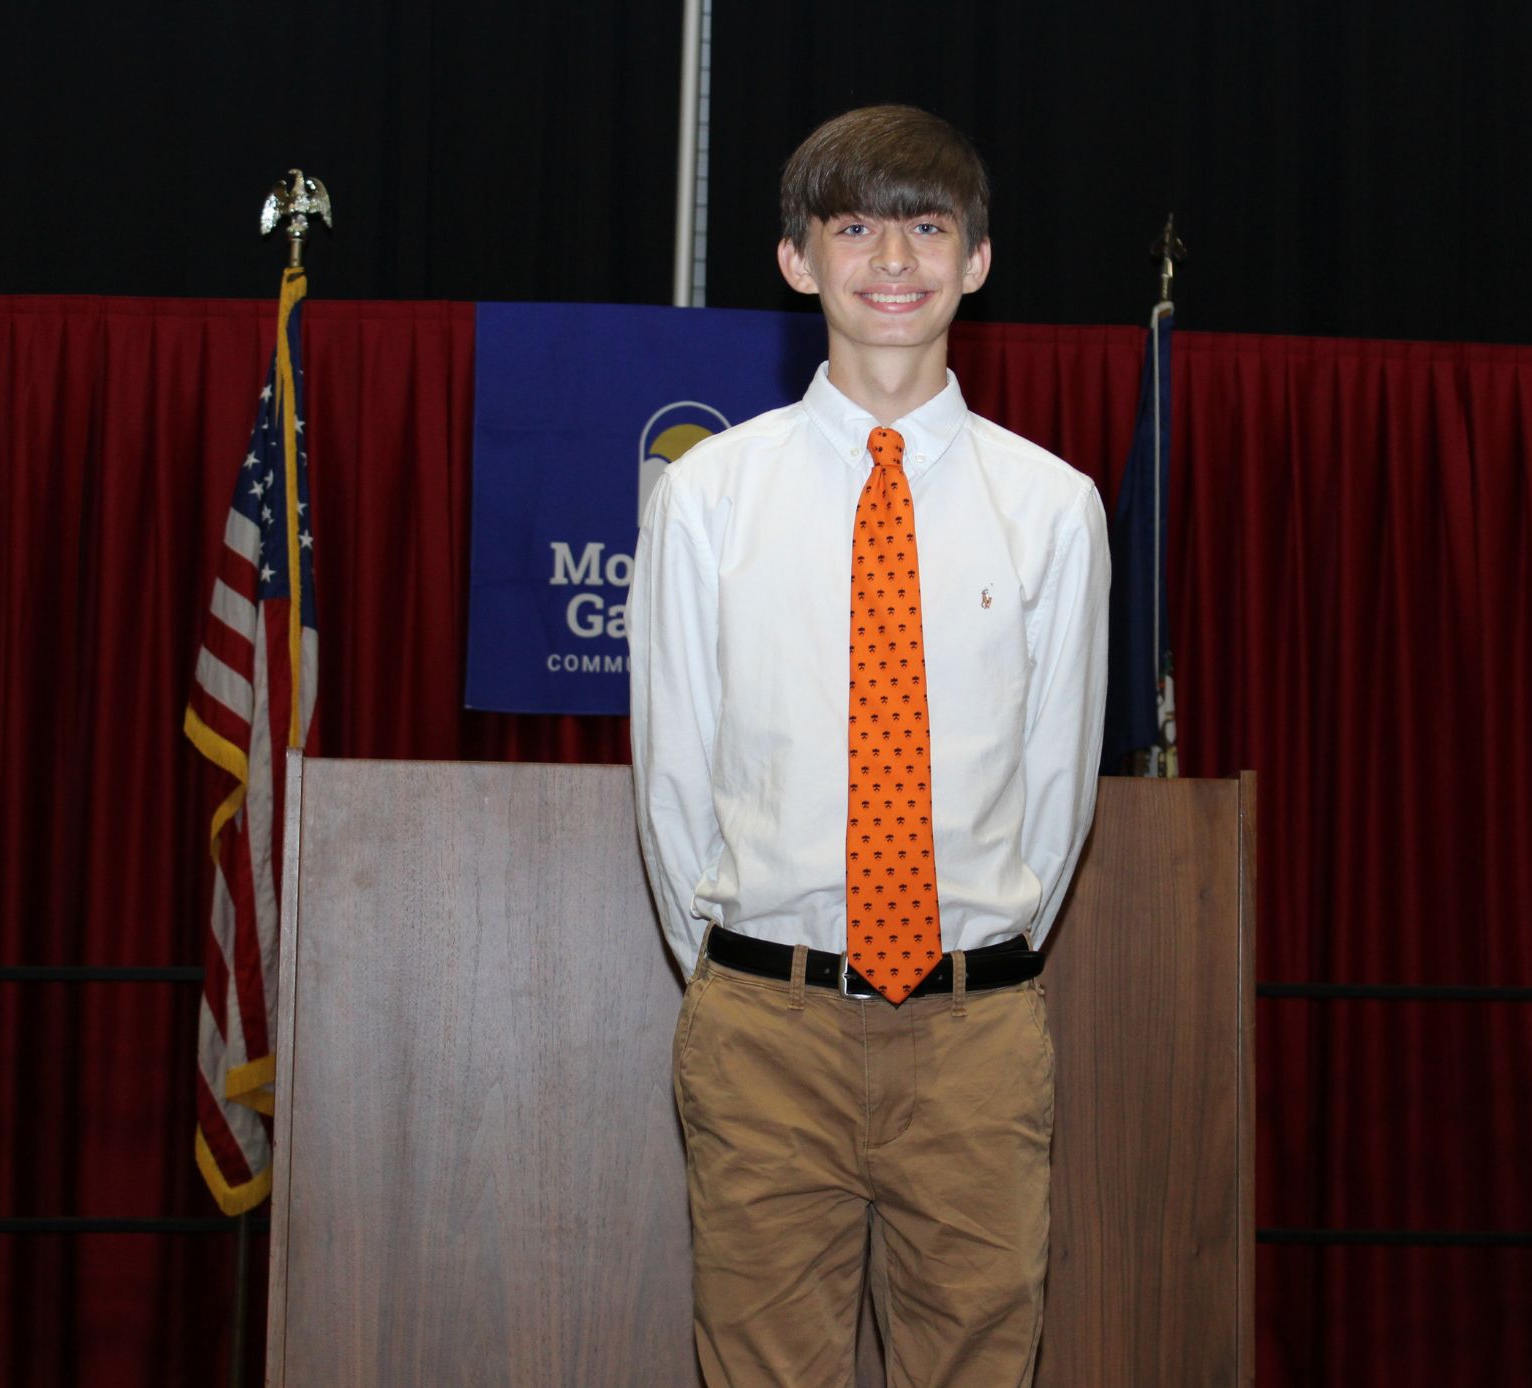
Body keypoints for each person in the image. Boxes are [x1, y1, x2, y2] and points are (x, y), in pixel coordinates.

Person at [628, 104, 1108, 1387]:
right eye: (853, 226)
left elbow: (1054, 806)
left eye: (925, 226)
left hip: (973, 1038)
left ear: (977, 259)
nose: (891, 259)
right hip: (761, 1030)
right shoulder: (707, 498)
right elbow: (674, 783)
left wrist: (964, 958)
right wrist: (752, 970)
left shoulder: (1055, 510)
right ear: (797, 260)